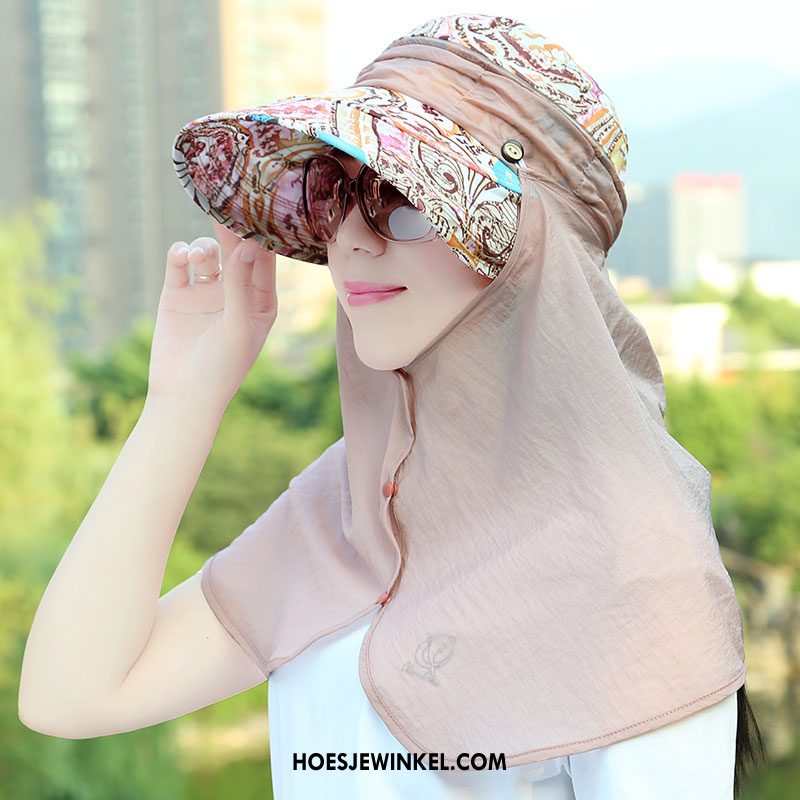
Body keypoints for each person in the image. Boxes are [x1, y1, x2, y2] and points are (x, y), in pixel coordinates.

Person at [19, 11, 768, 799]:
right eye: (333, 196)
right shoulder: (351, 505)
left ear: (529, 245)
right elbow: (73, 696)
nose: (351, 241)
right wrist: (183, 400)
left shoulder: (639, 560)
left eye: (402, 196)